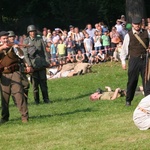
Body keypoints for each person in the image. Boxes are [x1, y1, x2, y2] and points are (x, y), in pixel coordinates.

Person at [120, 17, 150, 106]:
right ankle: (128, 100)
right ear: (132, 24)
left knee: (147, 80)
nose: (137, 26)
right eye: (135, 24)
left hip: (145, 59)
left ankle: (148, 100)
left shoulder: (147, 33)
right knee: (132, 80)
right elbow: (124, 50)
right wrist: (123, 61)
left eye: (138, 24)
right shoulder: (128, 35)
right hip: (134, 60)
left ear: (140, 24)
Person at [0, 31, 29, 123]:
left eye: (6, 38)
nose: (5, 40)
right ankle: (4, 117)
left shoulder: (12, 46)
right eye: (3, 38)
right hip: (4, 74)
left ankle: (25, 117)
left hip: (15, 73)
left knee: (19, 95)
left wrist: (17, 48)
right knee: (4, 97)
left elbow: (21, 55)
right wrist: (2, 48)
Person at [23, 25, 51, 104]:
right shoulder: (26, 41)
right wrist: (29, 65)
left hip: (41, 63)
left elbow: (45, 52)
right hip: (33, 64)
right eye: (31, 32)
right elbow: (25, 55)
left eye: (34, 31)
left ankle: (46, 99)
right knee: (35, 85)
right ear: (28, 33)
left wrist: (47, 61)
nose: (33, 33)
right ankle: (37, 100)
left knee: (43, 83)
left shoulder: (40, 39)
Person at [7, 30, 30, 104]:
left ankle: (24, 101)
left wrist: (27, 65)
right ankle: (17, 102)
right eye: (10, 37)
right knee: (15, 87)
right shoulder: (5, 47)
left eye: (13, 36)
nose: (12, 38)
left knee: (26, 85)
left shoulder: (16, 45)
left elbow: (22, 56)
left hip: (19, 67)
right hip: (11, 69)